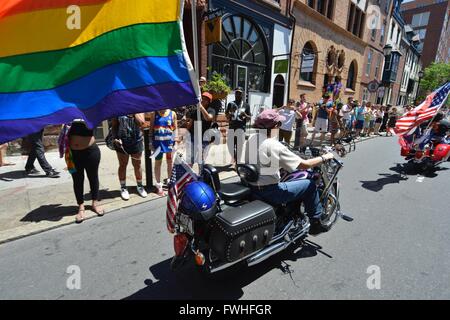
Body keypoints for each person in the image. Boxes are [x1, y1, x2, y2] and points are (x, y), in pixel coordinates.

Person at [244, 109, 335, 234]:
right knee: (310, 185)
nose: (280, 127)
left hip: (252, 187)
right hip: (270, 192)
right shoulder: (274, 145)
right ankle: (316, 223)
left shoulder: (252, 138)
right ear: (275, 126)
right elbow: (304, 164)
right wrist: (324, 157)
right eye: (279, 124)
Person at [68, 120, 104, 223]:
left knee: (93, 177)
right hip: (73, 154)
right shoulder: (68, 111)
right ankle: (81, 207)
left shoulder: (89, 110)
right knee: (77, 180)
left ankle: (95, 203)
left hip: (91, 151)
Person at [112, 113, 148, 200]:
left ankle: (139, 185)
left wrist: (134, 112)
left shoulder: (138, 109)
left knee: (137, 164)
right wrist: (115, 138)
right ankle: (123, 187)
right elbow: (114, 126)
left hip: (136, 142)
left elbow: (141, 123)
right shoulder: (118, 109)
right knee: (123, 164)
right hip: (122, 142)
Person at [149, 109, 177, 196]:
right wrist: (150, 142)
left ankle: (170, 181)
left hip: (169, 143)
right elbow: (151, 129)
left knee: (170, 162)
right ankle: (158, 184)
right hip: (158, 143)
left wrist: (175, 142)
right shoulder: (154, 113)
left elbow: (175, 129)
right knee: (158, 163)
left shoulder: (172, 114)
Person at [186, 92, 216, 165]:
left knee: (201, 159)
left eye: (206, 99)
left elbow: (208, 118)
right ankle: (191, 175)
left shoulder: (211, 110)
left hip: (204, 138)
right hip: (193, 136)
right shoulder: (196, 110)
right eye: (202, 98)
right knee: (190, 159)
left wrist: (201, 108)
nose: (203, 100)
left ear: (209, 102)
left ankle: (201, 174)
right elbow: (190, 123)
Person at [225, 87, 251, 163]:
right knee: (230, 146)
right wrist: (229, 114)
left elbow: (249, 118)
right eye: (236, 93)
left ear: (242, 94)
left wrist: (245, 114)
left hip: (241, 129)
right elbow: (226, 116)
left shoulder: (246, 105)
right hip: (232, 128)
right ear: (235, 94)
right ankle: (235, 158)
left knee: (239, 147)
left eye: (240, 93)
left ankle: (237, 162)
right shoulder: (230, 104)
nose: (238, 94)